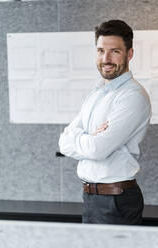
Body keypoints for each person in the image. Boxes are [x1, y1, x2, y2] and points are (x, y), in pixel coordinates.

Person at [59, 20, 151, 225]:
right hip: (92, 198)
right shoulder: (97, 92)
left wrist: (84, 139)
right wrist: (89, 138)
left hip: (115, 201)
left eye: (114, 51)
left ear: (129, 54)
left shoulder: (132, 97)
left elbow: (97, 150)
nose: (106, 58)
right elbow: (63, 143)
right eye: (101, 50)